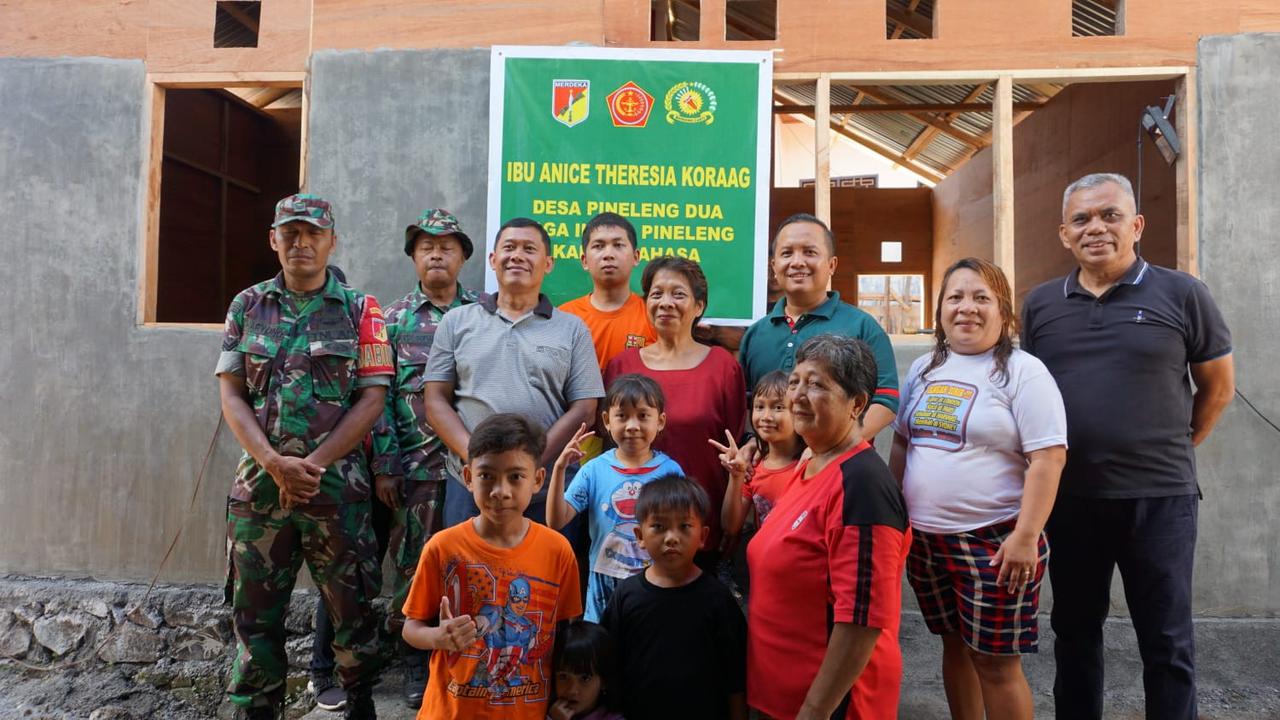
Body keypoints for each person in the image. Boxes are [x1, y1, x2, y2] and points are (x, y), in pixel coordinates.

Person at [1021, 173, 1235, 720]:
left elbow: (1218, 387)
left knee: (1166, 642)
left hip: (1159, 499)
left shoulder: (1183, 293)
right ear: (1064, 234)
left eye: (1110, 215)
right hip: (1070, 502)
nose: (1097, 228)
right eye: (1082, 220)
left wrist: (1176, 447)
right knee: (1073, 635)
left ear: (1136, 225)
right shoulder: (1042, 305)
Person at [215, 194, 389, 720]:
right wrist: (272, 462)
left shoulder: (362, 309)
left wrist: (311, 465)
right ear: (274, 239)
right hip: (261, 494)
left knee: (353, 614)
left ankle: (358, 701)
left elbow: (372, 397)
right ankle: (257, 710)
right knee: (254, 618)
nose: (300, 242)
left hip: (338, 493)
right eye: (289, 232)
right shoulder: (247, 306)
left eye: (312, 232)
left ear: (331, 239)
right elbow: (232, 396)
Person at [890, 258, 1067, 720]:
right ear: (940, 311)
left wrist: (1026, 536)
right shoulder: (925, 367)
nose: (966, 307)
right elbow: (903, 446)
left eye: (980, 297)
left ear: (1003, 313)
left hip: (996, 542)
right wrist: (892, 519)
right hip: (926, 542)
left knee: (995, 662)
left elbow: (1048, 457)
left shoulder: (1024, 372)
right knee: (954, 646)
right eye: (956, 297)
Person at [746, 335, 910, 720]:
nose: (798, 396)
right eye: (795, 382)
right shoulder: (811, 462)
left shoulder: (863, 484)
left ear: (857, 404)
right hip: (782, 696)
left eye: (817, 384)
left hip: (835, 705)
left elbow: (863, 618)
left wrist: (815, 711)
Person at [423, 217, 604, 527]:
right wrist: (478, 459)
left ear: (548, 263)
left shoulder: (572, 329)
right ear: (493, 260)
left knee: (545, 574)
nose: (517, 255)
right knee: (466, 572)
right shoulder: (456, 322)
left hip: (544, 487)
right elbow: (435, 401)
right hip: (470, 484)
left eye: (529, 249)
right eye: (509, 247)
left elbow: (585, 408)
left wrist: (531, 463)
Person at [401, 413, 584, 719]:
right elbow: (411, 628)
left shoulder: (558, 551)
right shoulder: (443, 548)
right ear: (468, 477)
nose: (501, 491)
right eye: (487, 476)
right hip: (451, 711)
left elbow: (566, 636)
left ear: (538, 480)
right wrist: (438, 637)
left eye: (515, 476)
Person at [371, 208, 480, 707]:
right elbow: (376, 397)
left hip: (470, 470)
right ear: (414, 257)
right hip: (413, 471)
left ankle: (467, 656)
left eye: (447, 246)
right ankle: (416, 663)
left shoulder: (483, 313)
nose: (437, 253)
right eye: (426, 246)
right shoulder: (392, 321)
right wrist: (386, 464)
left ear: (463, 257)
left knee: (470, 566)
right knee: (415, 568)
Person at [604, 257, 746, 561]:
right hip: (630, 530)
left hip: (700, 531)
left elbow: (733, 448)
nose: (666, 302)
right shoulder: (621, 365)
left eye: (678, 294)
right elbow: (608, 447)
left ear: (699, 306)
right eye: (657, 294)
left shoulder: (723, 368)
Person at [738, 214, 899, 440]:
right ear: (774, 266)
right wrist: (755, 444)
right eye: (787, 253)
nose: (797, 262)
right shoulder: (756, 333)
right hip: (769, 468)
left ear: (831, 265)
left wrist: (838, 447)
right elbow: (744, 404)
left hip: (840, 469)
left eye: (809, 252)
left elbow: (886, 400)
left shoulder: (862, 326)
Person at [601, 475, 747, 720]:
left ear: (702, 536)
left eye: (685, 526)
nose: (671, 537)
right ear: (639, 535)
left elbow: (735, 676)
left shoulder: (717, 599)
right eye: (658, 526)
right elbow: (609, 664)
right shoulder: (626, 596)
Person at [546, 374, 683, 621]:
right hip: (603, 586)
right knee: (605, 648)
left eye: (643, 416)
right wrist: (559, 469)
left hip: (655, 583)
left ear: (660, 421)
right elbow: (556, 521)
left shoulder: (670, 471)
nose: (632, 425)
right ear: (607, 421)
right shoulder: (593, 470)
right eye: (622, 416)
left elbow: (683, 532)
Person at [558, 212, 658, 370]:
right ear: (584, 261)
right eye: (598, 246)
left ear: (636, 256)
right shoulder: (563, 318)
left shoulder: (653, 315)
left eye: (618, 245)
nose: (608, 254)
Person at [716, 370, 805, 538]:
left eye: (778, 407)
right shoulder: (753, 467)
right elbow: (730, 526)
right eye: (759, 407)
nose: (766, 416)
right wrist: (736, 478)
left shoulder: (811, 463)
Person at [548, 620, 626, 720]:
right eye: (563, 677)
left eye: (585, 678)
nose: (572, 690)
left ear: (604, 681)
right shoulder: (546, 712)